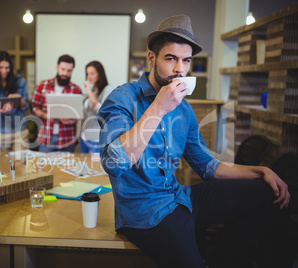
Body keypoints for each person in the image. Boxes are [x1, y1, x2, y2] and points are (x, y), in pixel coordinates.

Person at [97, 15, 290, 268]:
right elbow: (113, 163)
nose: (179, 69)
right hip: (144, 213)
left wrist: (260, 171)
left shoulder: (184, 110)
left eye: (186, 60)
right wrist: (157, 108)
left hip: (181, 198)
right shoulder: (123, 98)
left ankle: (223, 259)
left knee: (272, 193)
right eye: (171, 58)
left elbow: (207, 166)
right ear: (152, 59)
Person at [32, 54, 82, 152]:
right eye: (62, 69)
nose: (65, 73)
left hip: (67, 138)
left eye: (69, 71)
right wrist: (46, 115)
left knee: (67, 167)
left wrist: (71, 120)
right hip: (46, 138)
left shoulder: (76, 89)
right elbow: (34, 107)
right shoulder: (43, 85)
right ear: (57, 67)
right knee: (45, 167)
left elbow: (78, 115)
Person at [0, 51, 30, 152]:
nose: (4, 71)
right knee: (0, 165)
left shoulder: (20, 81)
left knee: (20, 165)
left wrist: (19, 99)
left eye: (7, 67)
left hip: (20, 131)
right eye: (1, 67)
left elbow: (26, 105)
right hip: (0, 132)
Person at [81, 61, 114, 153]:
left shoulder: (107, 89)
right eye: (87, 74)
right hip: (84, 137)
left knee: (94, 167)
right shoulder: (93, 90)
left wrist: (88, 92)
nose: (89, 77)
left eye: (92, 73)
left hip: (96, 139)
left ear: (100, 74)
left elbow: (102, 112)